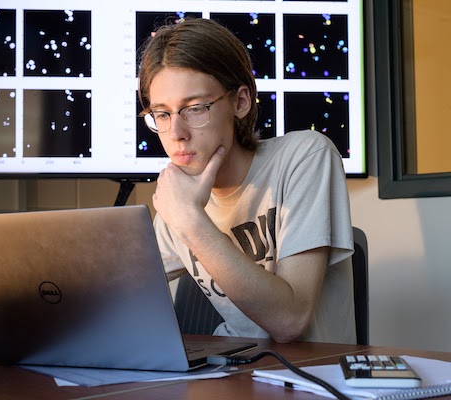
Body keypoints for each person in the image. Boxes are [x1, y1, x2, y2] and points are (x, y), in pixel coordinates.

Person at [137, 18, 355, 344]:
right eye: (163, 115)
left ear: (240, 102)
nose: (176, 134)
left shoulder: (305, 157)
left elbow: (290, 320)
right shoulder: (180, 197)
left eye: (195, 109)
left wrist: (191, 222)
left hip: (313, 374)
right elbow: (119, 298)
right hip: (234, 370)